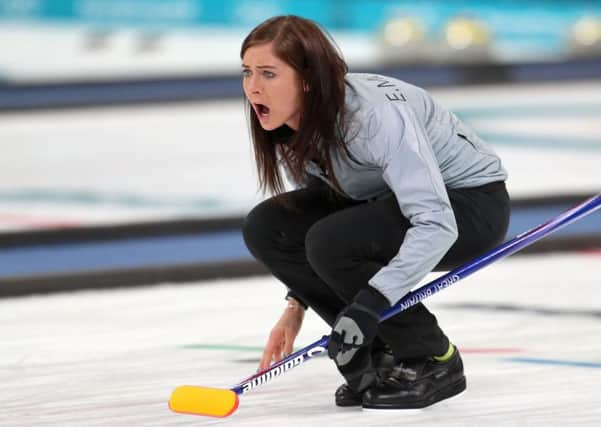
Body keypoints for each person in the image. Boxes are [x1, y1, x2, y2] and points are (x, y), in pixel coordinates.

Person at [240, 15, 510, 410]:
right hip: (394, 202)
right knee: (269, 227)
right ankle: (381, 352)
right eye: (247, 72)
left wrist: (369, 306)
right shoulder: (290, 123)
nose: (253, 87)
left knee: (331, 243)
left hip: (467, 206)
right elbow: (324, 206)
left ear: (308, 78)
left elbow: (435, 222)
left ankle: (433, 359)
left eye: (268, 74)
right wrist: (296, 306)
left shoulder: (372, 117)